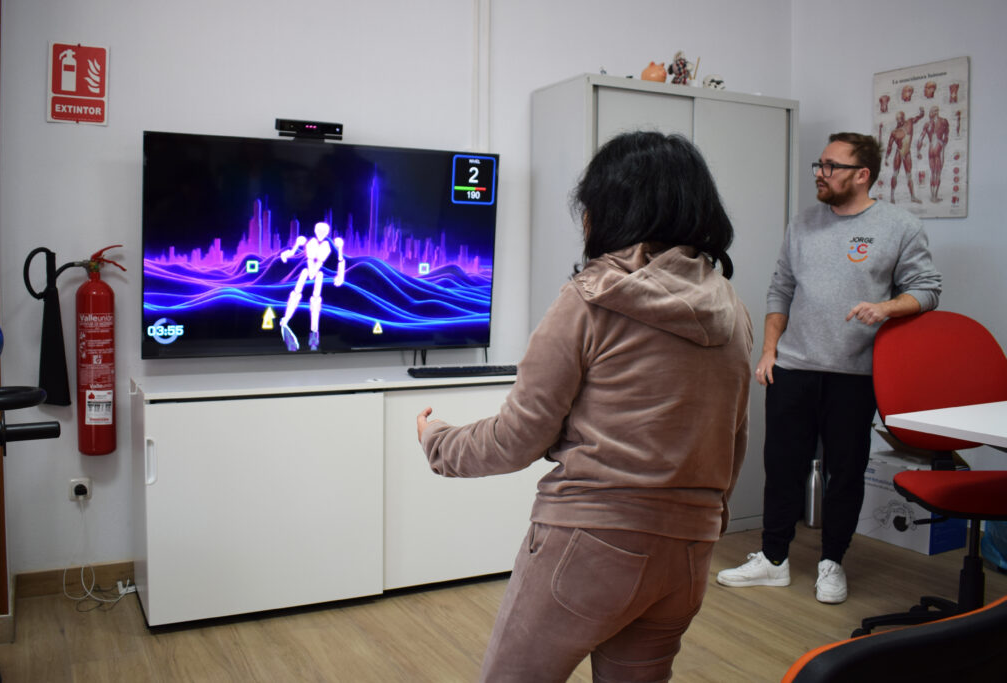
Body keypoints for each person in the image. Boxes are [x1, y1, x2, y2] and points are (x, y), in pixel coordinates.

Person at [416, 131, 753, 682]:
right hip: (689, 552)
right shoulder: (732, 309)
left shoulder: (592, 299)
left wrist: (438, 441)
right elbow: (732, 441)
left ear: (606, 211)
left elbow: (517, 438)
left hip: (588, 544)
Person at [717, 132, 942, 604]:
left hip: (855, 374)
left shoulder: (899, 226)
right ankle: (773, 559)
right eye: (819, 164)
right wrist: (770, 350)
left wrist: (885, 308)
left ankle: (832, 562)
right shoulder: (803, 223)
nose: (820, 173)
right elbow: (781, 288)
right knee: (782, 467)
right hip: (793, 367)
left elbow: (927, 289)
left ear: (862, 175)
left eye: (831, 166)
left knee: (846, 472)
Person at [279, 221, 345, 351]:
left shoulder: (328, 246)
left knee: (316, 297)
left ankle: (314, 336)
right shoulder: (310, 243)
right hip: (307, 272)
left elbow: (340, 261)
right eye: (319, 230)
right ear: (315, 230)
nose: (321, 233)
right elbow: (292, 252)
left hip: (318, 274)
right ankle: (286, 321)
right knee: (298, 291)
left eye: (324, 231)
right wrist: (286, 254)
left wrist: (340, 274)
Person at [885, 108, 925, 204]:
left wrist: (922, 113)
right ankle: (892, 196)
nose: (900, 121)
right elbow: (889, 146)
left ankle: (912, 196)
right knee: (895, 174)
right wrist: (886, 158)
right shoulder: (894, 132)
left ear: (904, 117)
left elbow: (918, 117)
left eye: (901, 118)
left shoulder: (910, 122)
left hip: (907, 153)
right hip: (899, 152)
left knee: (909, 175)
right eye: (898, 119)